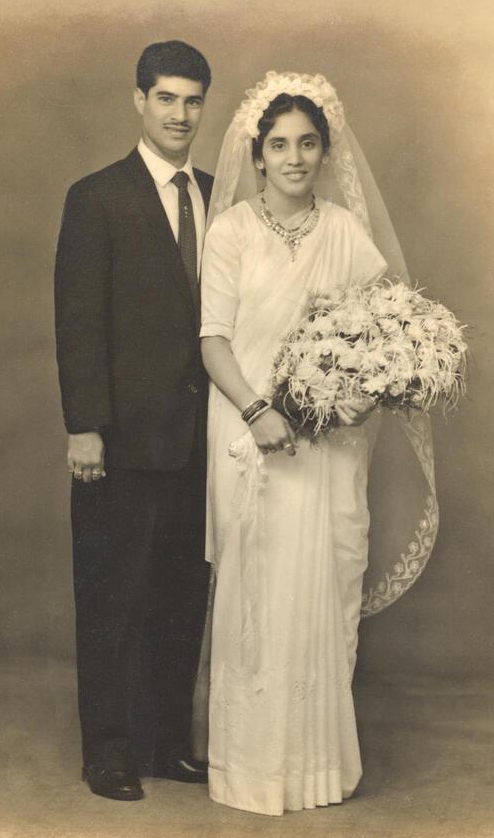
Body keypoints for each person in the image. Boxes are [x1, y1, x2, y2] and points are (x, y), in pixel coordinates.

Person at [198, 72, 438, 816]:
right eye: (279, 145)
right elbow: (212, 341)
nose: (295, 158)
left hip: (332, 445)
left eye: (308, 143)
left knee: (324, 584)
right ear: (258, 155)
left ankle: (318, 768)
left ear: (325, 152)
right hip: (250, 432)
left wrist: (364, 391)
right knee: (260, 596)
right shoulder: (233, 230)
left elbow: (388, 331)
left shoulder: (344, 231)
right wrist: (259, 410)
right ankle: (252, 769)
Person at [54, 40, 213, 802]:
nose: (181, 114)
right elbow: (79, 320)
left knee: (183, 595)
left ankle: (164, 741)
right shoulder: (97, 196)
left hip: (202, 441)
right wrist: (85, 424)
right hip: (118, 440)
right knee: (113, 597)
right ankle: (108, 750)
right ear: (139, 102)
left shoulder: (221, 194)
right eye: (167, 98)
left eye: (193, 101)